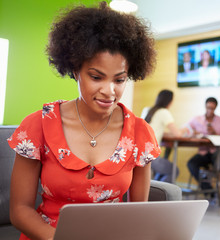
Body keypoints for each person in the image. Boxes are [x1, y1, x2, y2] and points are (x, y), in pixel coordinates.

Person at [7, 2, 160, 240]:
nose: (109, 91)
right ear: (75, 69)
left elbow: (137, 213)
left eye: (119, 80)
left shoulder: (140, 133)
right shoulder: (37, 126)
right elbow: (20, 211)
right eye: (96, 77)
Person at [186, 97, 220, 204]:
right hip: (204, 152)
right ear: (205, 106)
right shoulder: (197, 119)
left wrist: (214, 132)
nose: (210, 110)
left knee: (219, 165)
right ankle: (208, 191)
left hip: (218, 152)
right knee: (192, 163)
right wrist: (192, 132)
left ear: (216, 108)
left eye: (212, 108)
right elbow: (185, 128)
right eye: (208, 108)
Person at [143, 90, 182, 183]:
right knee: (174, 171)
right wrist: (187, 129)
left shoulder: (147, 110)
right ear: (170, 101)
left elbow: (152, 129)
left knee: (161, 171)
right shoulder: (164, 112)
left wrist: (164, 133)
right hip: (150, 155)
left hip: (139, 153)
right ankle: (159, 194)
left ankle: (155, 190)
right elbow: (178, 134)